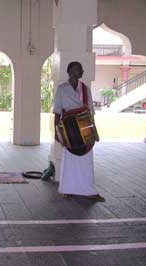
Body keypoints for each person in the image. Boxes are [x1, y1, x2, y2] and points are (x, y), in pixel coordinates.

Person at [53, 61, 105, 201]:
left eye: (81, 69)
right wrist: (56, 132)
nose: (81, 71)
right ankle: (67, 189)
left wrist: (94, 131)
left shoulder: (85, 88)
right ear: (70, 71)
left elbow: (91, 112)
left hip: (85, 128)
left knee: (86, 160)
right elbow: (57, 111)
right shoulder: (62, 89)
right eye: (78, 69)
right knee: (69, 160)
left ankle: (89, 190)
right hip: (69, 130)